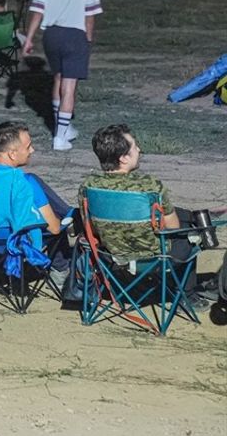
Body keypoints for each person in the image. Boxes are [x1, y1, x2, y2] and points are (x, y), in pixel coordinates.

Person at [78, 124, 214, 311]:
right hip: (154, 258)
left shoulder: (88, 186)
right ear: (123, 158)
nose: (139, 150)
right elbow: (173, 227)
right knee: (189, 233)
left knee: (181, 215)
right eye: (135, 147)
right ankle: (187, 296)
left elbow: (89, 225)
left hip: (111, 254)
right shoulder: (150, 186)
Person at [22, 0, 102, 151]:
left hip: (52, 35)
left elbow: (37, 12)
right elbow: (90, 16)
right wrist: (88, 39)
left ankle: (64, 128)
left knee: (58, 78)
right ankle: (60, 137)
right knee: (69, 85)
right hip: (74, 35)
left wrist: (29, 38)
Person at [0, 122, 75, 285]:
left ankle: (71, 214)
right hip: (16, 240)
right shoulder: (25, 183)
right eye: (28, 147)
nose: (32, 150)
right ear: (12, 154)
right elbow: (54, 228)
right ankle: (60, 270)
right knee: (60, 224)